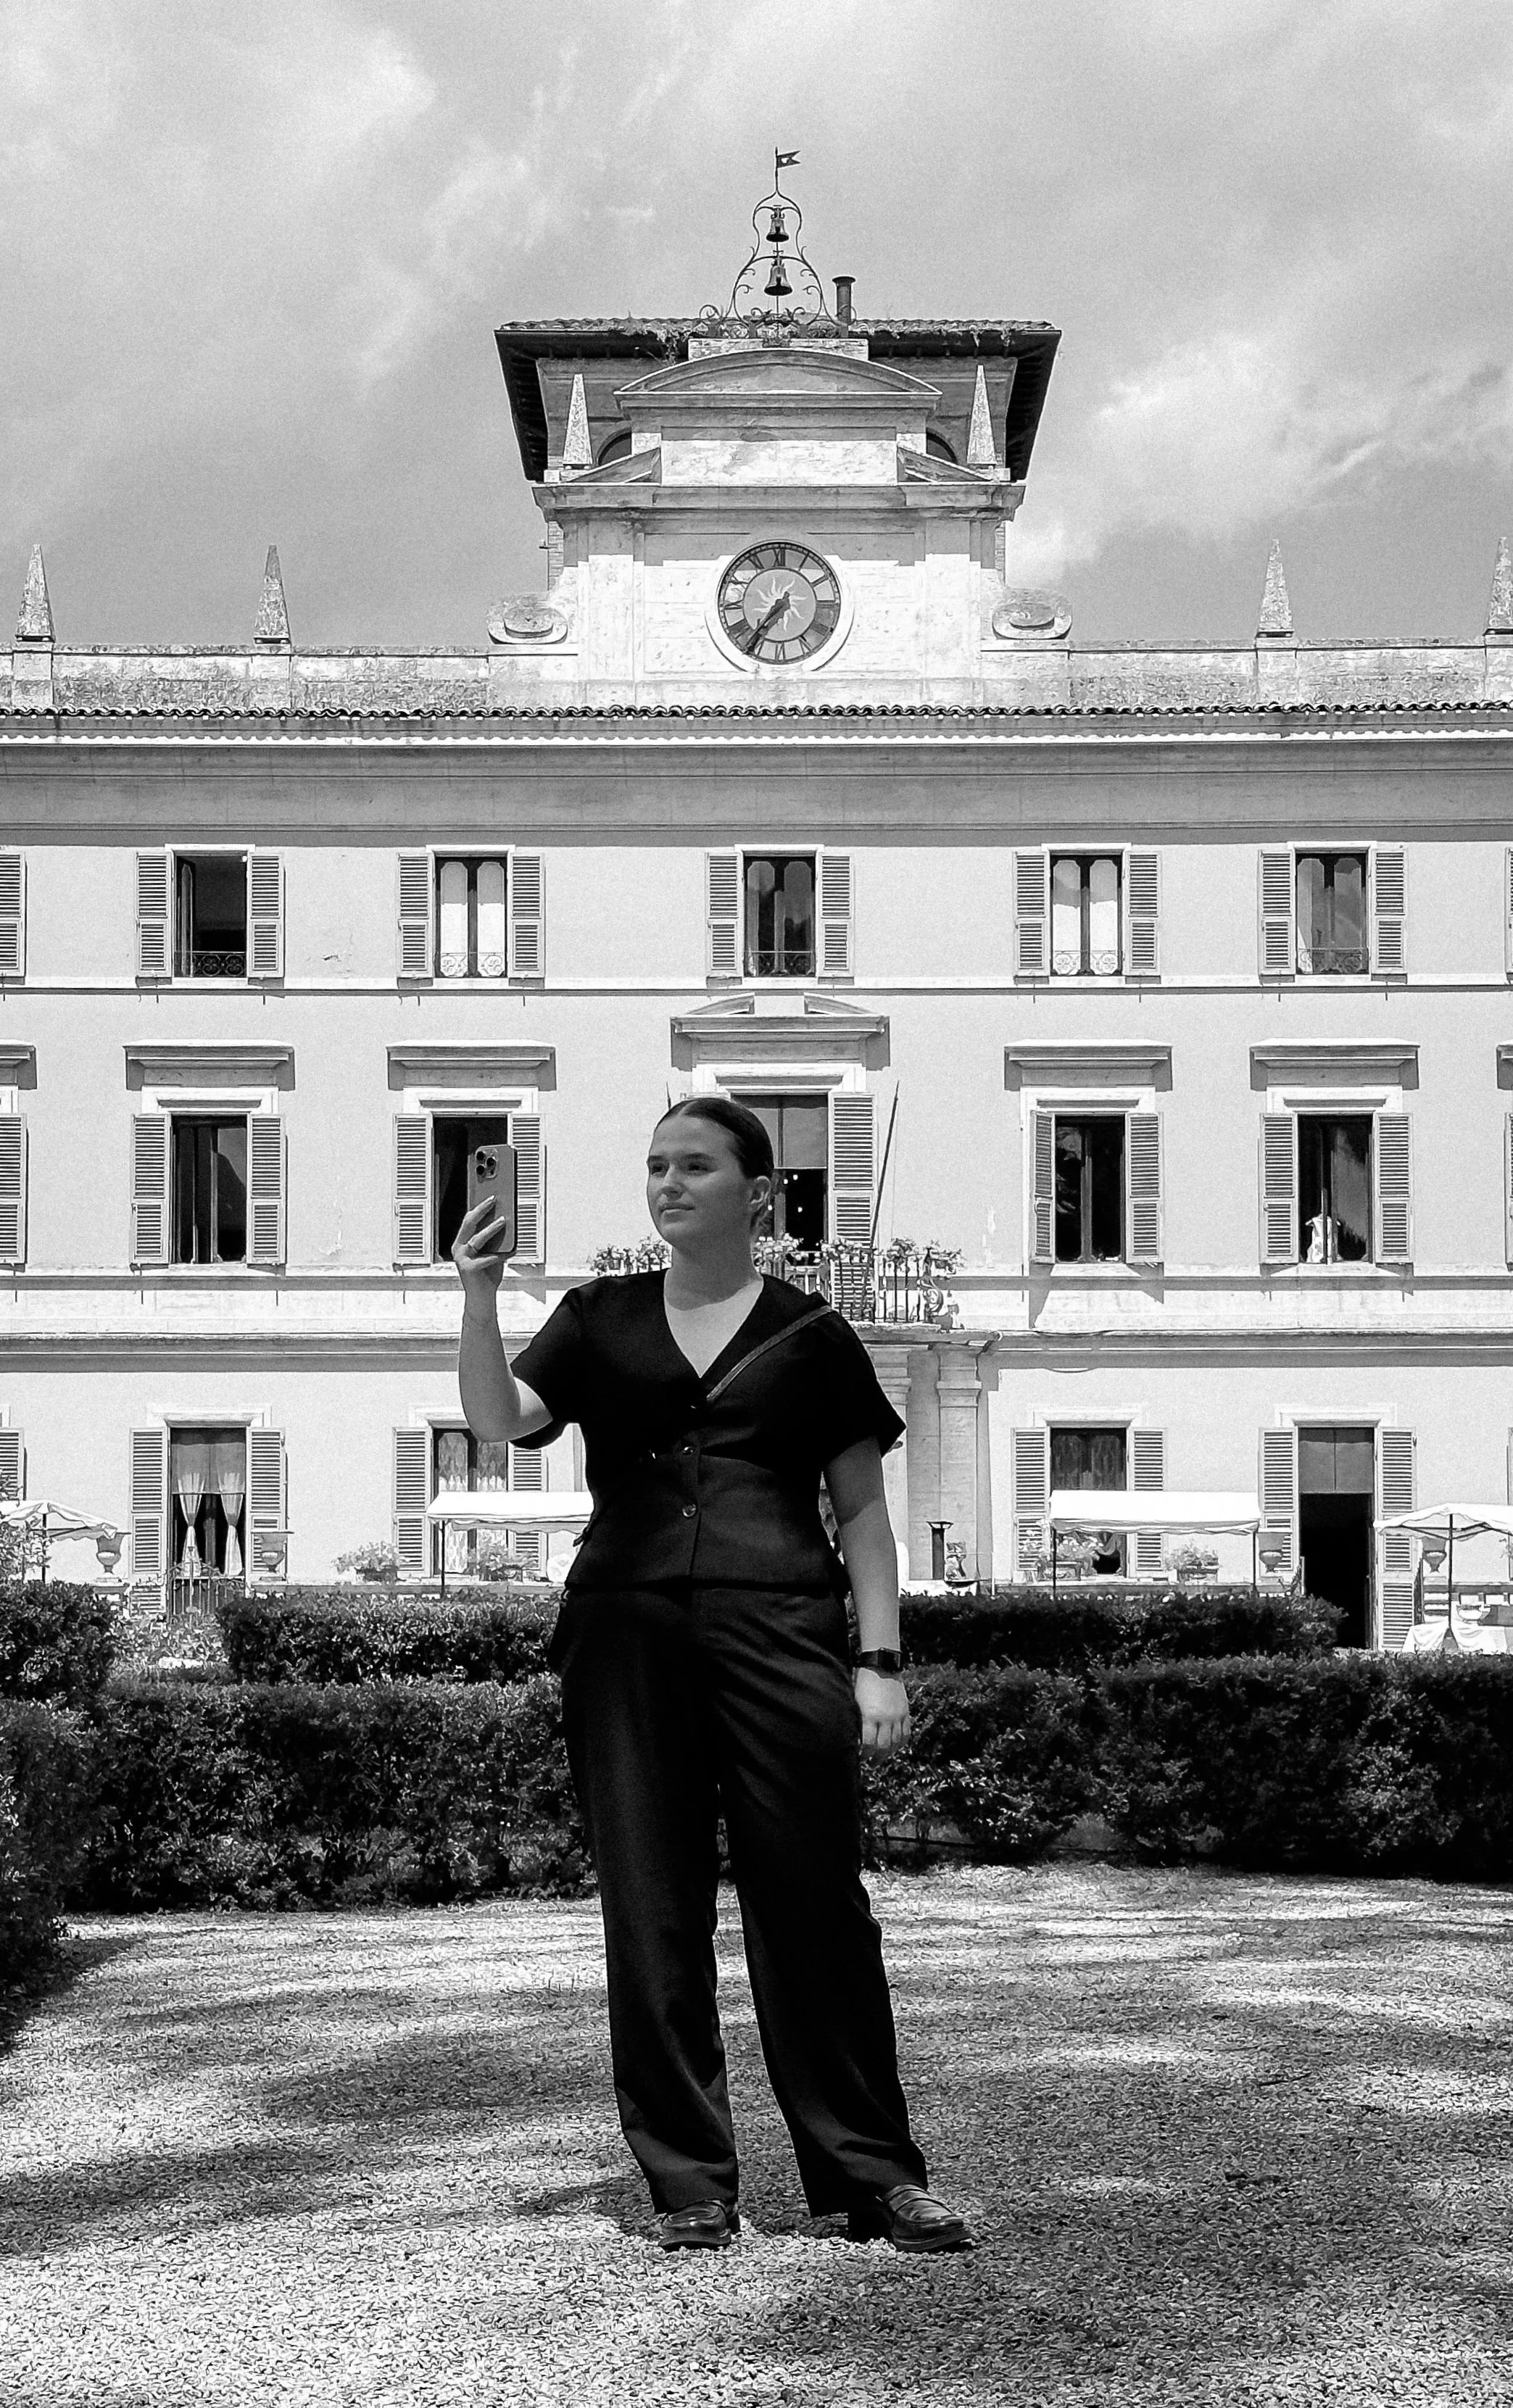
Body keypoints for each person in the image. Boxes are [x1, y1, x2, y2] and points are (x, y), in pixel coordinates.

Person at [452, 1093, 972, 2256]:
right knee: (650, 1904)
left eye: (695, 1165)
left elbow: (865, 1518)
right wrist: (479, 1294)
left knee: (816, 1904)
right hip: (624, 1633)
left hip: (781, 1631)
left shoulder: (811, 1334)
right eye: (655, 1166)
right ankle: (690, 2180)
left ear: (759, 1192)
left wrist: (878, 1660)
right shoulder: (597, 1318)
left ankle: (872, 2172)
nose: (669, 1183)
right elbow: (496, 1419)